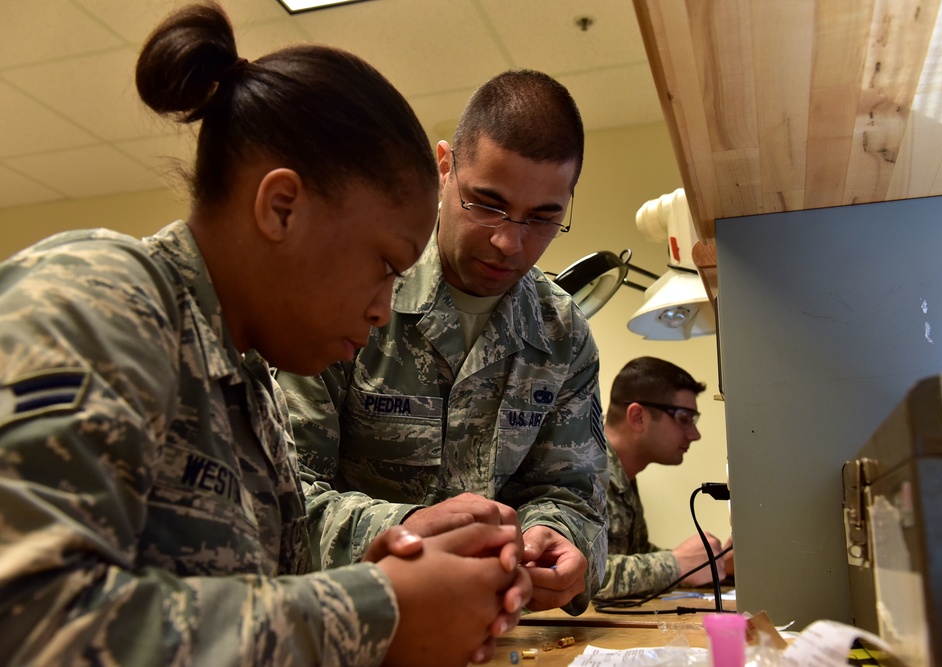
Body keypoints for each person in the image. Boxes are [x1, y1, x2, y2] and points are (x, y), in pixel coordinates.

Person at [0, 3, 529, 666]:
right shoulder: (100, 293)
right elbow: (30, 622)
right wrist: (374, 609)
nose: (384, 310)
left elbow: (238, 604)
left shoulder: (249, 380)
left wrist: (387, 573)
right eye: (386, 266)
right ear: (282, 207)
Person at [278, 69, 608, 615]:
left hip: (492, 634)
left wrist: (563, 542)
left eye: (544, 218)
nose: (510, 242)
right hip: (348, 626)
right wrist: (406, 532)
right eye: (488, 204)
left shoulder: (562, 334)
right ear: (445, 166)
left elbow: (576, 497)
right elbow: (282, 496)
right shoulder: (356, 286)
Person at [595, 357, 732, 601]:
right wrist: (675, 565)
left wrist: (708, 564)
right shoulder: (582, 473)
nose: (695, 434)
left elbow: (634, 556)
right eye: (683, 418)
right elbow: (575, 576)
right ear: (638, 417)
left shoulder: (621, 474)